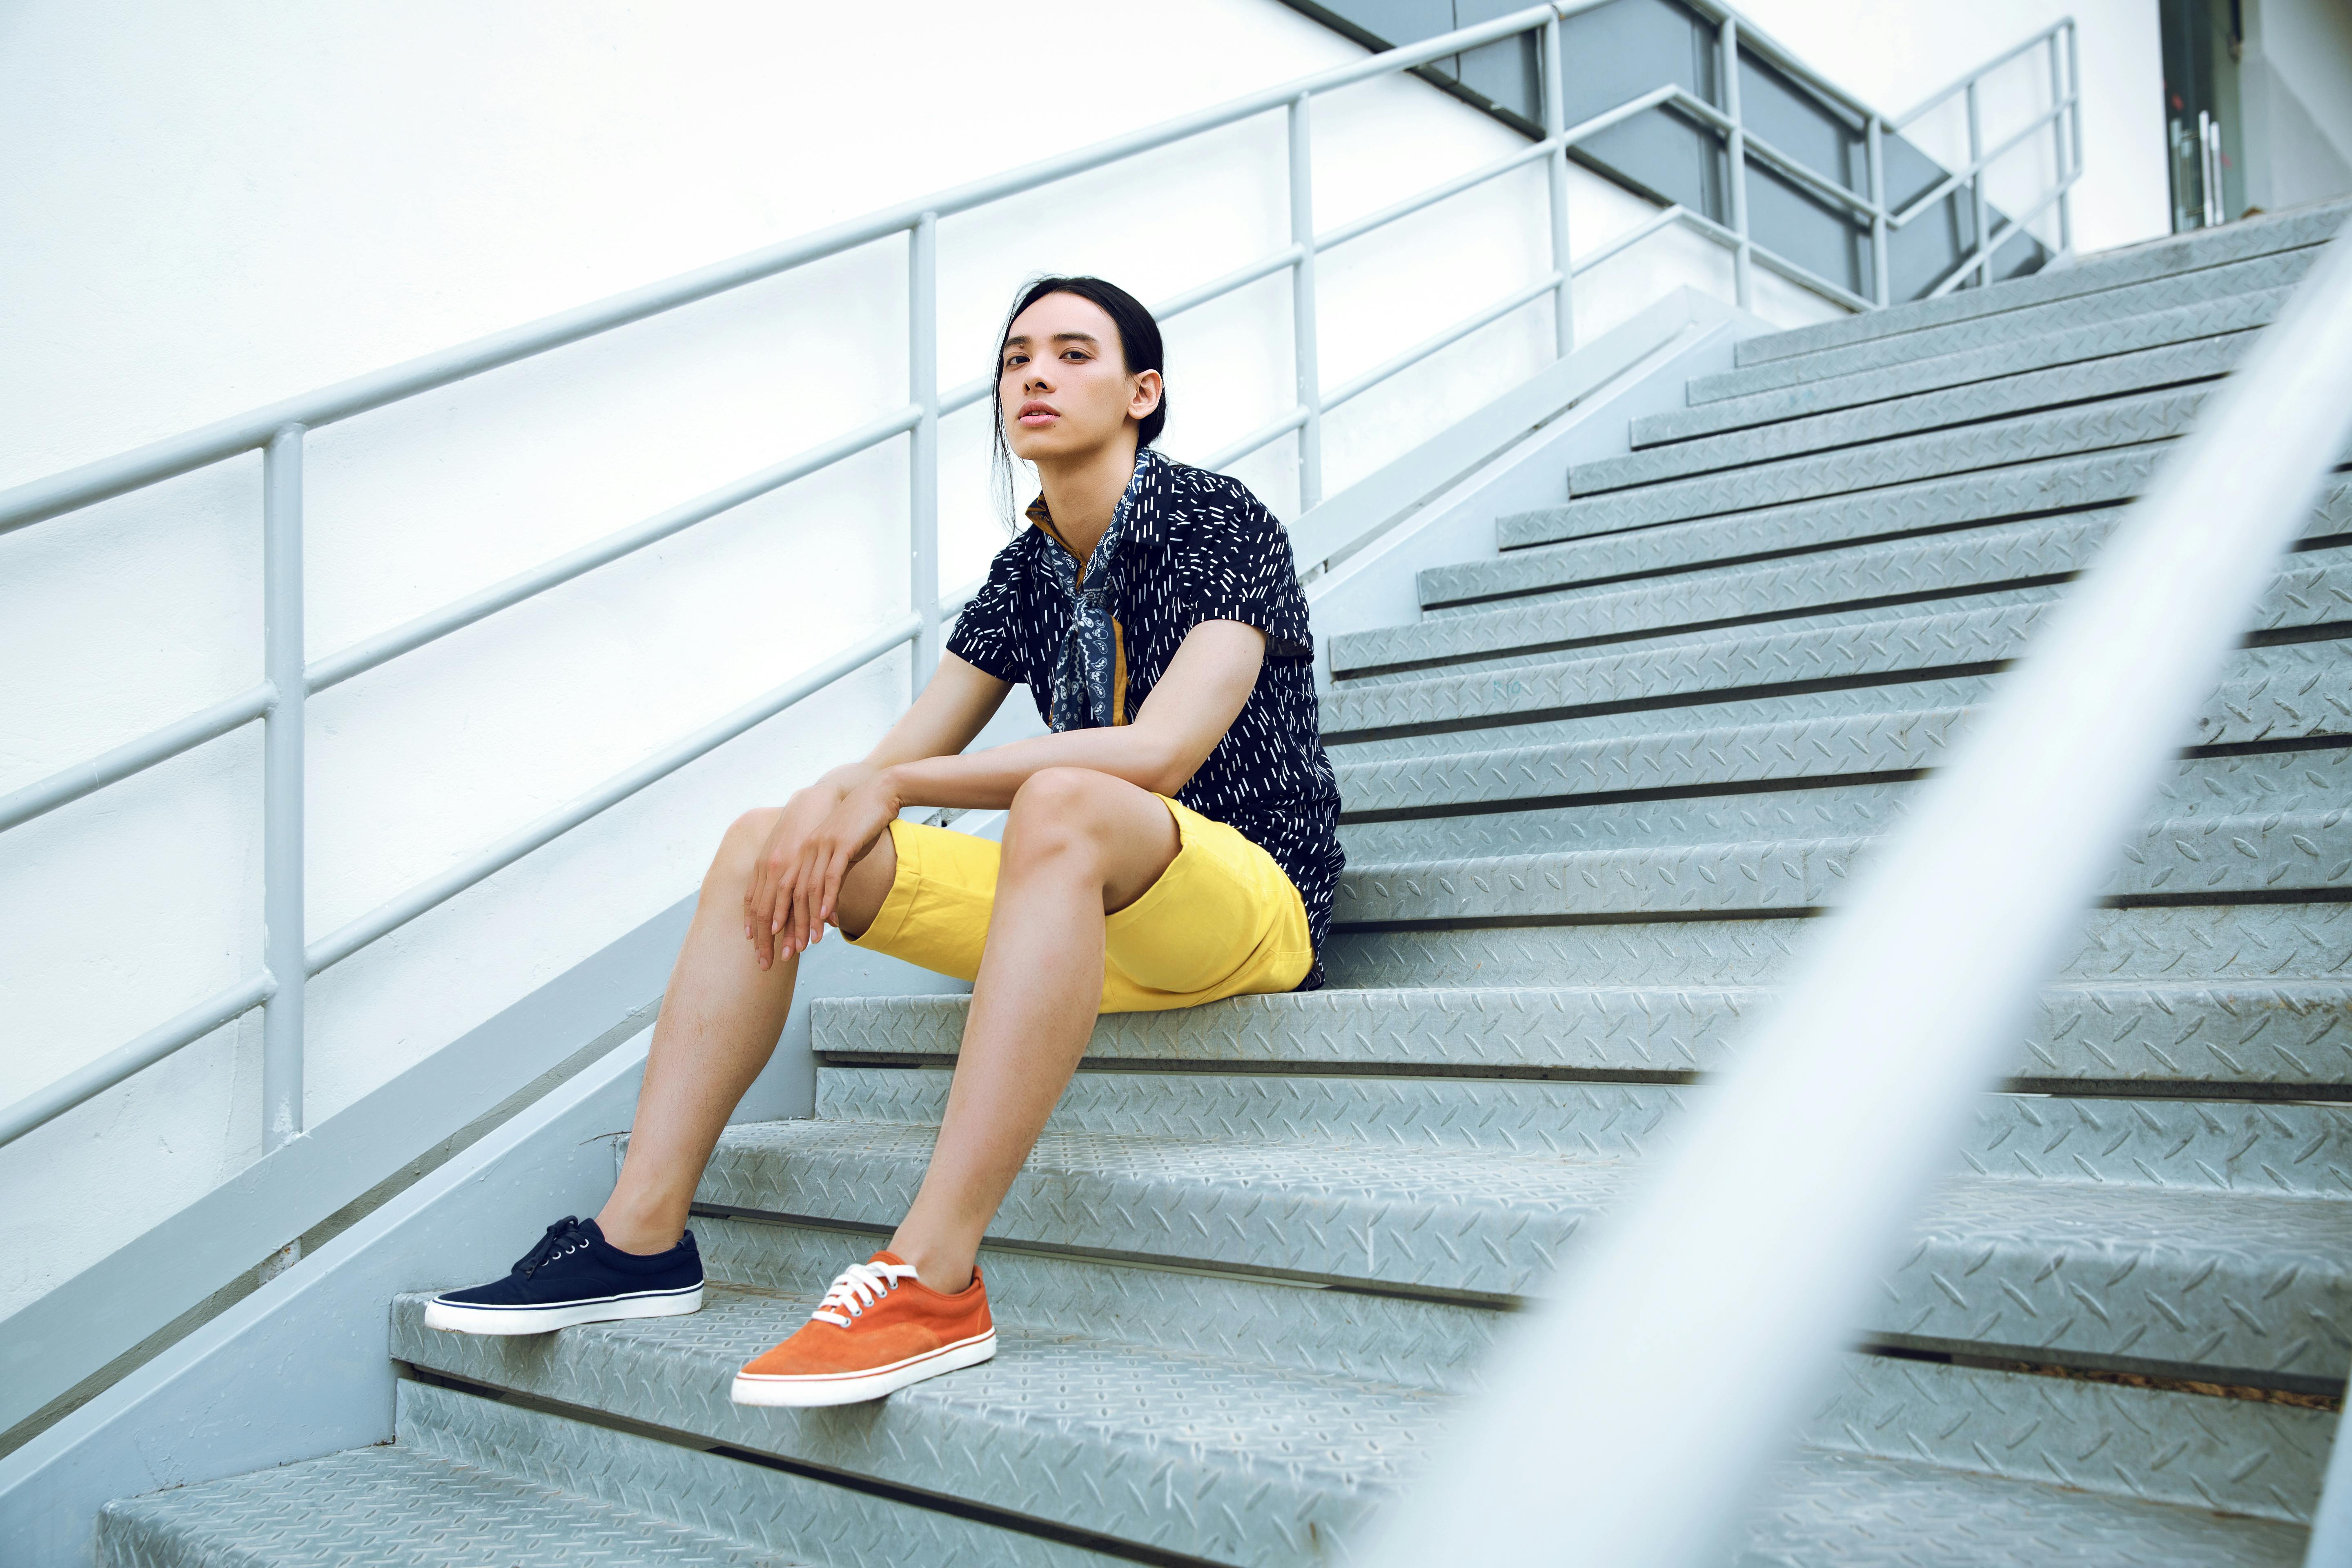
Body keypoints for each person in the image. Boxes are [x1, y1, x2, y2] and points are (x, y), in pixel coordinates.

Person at [423, 275, 1343, 1407]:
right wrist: (841, 798)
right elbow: (894, 760)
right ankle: (639, 1239)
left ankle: (933, 1278)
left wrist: (893, 783)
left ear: (1142, 393)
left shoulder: (1217, 518)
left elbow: (1157, 756)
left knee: (1060, 799)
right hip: (1093, 928)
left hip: (1247, 907)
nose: (1036, 376)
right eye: (1016, 359)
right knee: (766, 836)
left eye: (1072, 354)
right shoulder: (1028, 571)